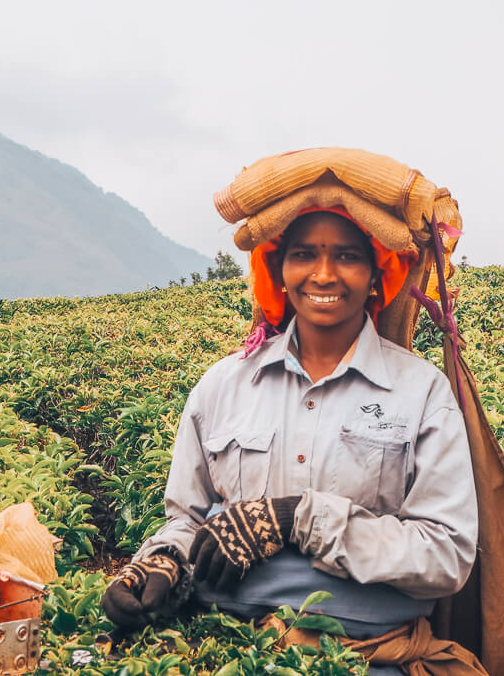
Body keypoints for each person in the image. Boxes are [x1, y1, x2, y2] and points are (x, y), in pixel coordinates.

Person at [101, 207, 480, 675]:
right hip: (224, 650)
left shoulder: (420, 392)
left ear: (376, 276)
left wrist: (296, 518)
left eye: (346, 256)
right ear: (279, 270)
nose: (323, 274)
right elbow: (188, 518)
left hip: (365, 659)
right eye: (304, 255)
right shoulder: (224, 386)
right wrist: (161, 562)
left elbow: (445, 554)